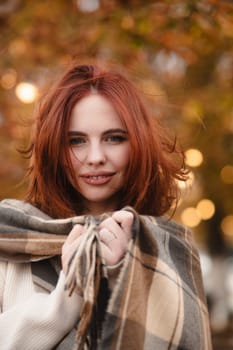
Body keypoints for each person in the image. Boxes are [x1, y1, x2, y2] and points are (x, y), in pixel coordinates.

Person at [0, 63, 212, 349]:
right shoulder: (10, 236)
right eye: (76, 141)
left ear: (138, 144)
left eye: (114, 138)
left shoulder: (171, 248)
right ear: (53, 149)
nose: (96, 156)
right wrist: (65, 299)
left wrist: (129, 273)